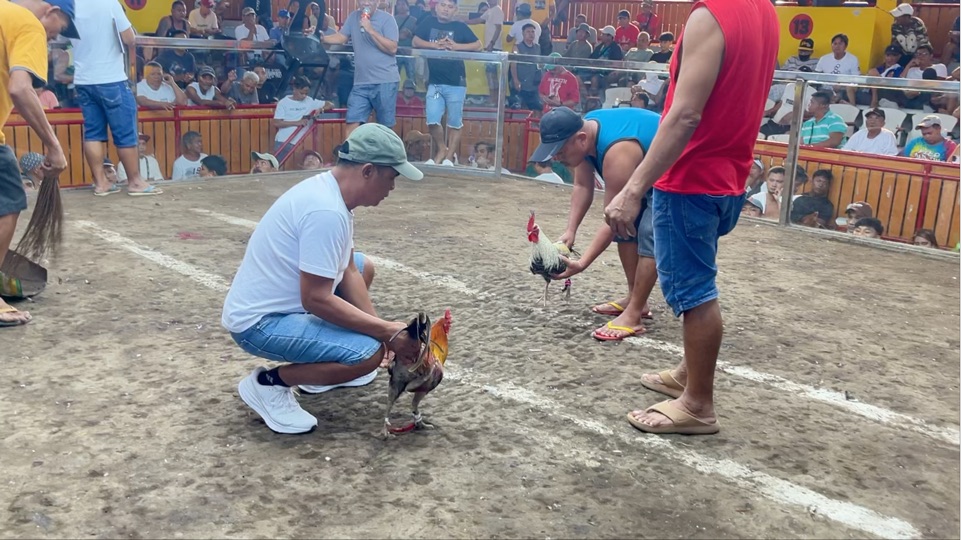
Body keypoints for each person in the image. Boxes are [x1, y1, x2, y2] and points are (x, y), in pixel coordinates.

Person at [604, 0, 778, 434]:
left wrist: (633, 189)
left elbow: (685, 115)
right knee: (698, 276)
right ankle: (688, 373)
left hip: (691, 177)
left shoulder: (710, 15)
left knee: (694, 291)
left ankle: (698, 403)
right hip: (728, 174)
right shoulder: (762, 10)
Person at [222, 124, 424, 435]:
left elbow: (349, 270)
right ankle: (269, 384)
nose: (393, 187)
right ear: (368, 171)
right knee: (366, 355)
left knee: (363, 267)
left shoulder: (332, 194)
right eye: (392, 176)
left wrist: (385, 334)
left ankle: (321, 370)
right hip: (259, 324)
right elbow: (315, 299)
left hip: (284, 307)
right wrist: (385, 335)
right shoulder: (326, 211)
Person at [531, 106, 661, 341]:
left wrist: (582, 263)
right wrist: (571, 230)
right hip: (649, 171)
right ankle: (636, 299)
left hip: (679, 171)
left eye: (559, 150)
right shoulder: (584, 134)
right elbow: (582, 186)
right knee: (625, 229)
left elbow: (613, 218)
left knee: (647, 231)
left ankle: (634, 314)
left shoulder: (617, 153)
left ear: (581, 139)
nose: (555, 157)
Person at [1, 0, 77, 327]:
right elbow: (20, 88)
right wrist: (54, 145)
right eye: (58, 30)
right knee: (8, 199)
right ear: (51, 11)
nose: (53, 37)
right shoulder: (27, 23)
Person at [71, 0, 162, 197]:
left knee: (93, 133)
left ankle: (101, 183)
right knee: (126, 133)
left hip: (83, 79)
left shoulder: (72, 4)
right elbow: (129, 38)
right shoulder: (109, 3)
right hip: (110, 78)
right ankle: (135, 181)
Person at [413, 0, 482, 165]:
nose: (446, 9)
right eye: (443, 5)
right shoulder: (428, 22)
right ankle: (442, 148)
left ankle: (449, 157)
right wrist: (434, 45)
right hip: (435, 82)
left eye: (450, 7)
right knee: (432, 119)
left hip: (456, 83)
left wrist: (457, 47)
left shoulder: (460, 26)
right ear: (436, 7)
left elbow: (478, 45)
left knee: (455, 122)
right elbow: (415, 41)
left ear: (455, 10)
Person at [321, 0, 401, 136]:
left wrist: (370, 30)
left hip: (385, 81)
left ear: (377, 2)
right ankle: (351, 150)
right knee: (352, 122)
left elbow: (392, 48)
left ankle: (383, 150)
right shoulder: (353, 17)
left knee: (385, 127)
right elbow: (341, 37)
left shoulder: (388, 19)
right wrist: (323, 38)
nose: (366, 3)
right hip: (361, 82)